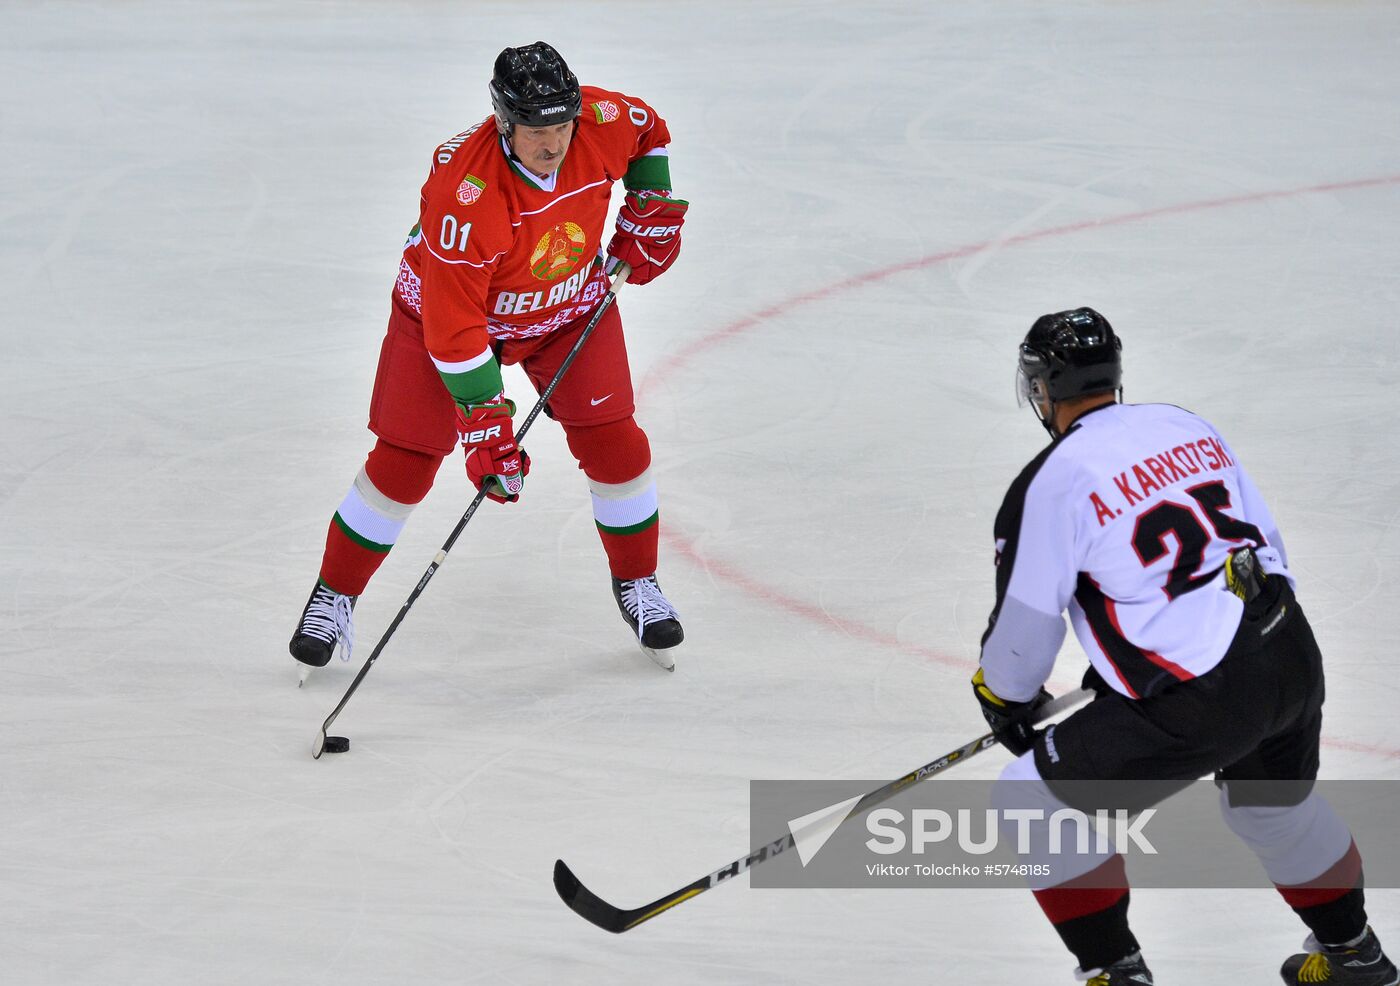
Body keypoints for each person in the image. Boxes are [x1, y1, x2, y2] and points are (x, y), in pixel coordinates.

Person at [970, 308, 1395, 984]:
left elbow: (1024, 635)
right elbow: (1261, 544)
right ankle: (1357, 957)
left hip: (1203, 692)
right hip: (1288, 650)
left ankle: (1115, 974)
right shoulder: (1183, 424)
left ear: (1043, 389)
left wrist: (1003, 698)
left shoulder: (1050, 480)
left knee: (1030, 800)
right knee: (1272, 809)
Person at [288, 42, 688, 672]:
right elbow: (454, 332)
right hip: (449, 320)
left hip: (566, 308)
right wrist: (485, 421)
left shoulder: (604, 121)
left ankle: (637, 583)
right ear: (504, 122)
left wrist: (650, 210)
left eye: (562, 126)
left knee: (616, 441)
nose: (553, 144)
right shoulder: (464, 195)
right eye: (536, 131)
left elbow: (649, 134)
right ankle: (333, 594)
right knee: (407, 459)